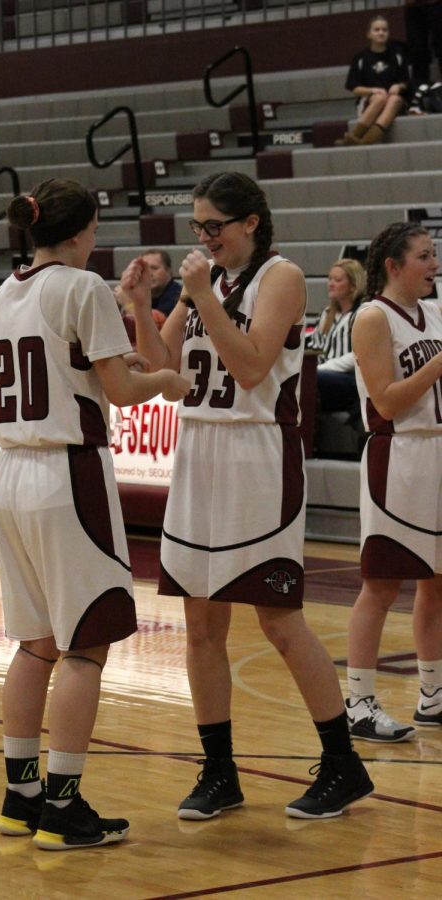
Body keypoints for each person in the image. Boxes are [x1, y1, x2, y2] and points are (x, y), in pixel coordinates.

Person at [120, 171, 373, 820]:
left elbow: (254, 365)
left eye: (215, 226)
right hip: (199, 452)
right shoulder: (209, 281)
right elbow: (158, 368)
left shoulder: (280, 277)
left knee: (278, 620)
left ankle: (342, 761)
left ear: (251, 223)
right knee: (201, 624)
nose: (204, 238)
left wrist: (200, 296)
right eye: (197, 227)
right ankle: (219, 771)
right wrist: (139, 305)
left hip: (259, 454)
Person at [0, 178, 190, 850]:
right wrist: (165, 381)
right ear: (82, 232)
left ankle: (21, 796)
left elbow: (63, 367)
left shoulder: (6, 290)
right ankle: (64, 805)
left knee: (35, 641)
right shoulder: (81, 287)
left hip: (11, 473)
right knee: (85, 643)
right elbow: (126, 392)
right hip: (67, 471)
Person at [346, 221, 442, 742]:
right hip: (398, 455)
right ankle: (359, 702)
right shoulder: (372, 317)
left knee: (438, 582)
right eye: (424, 257)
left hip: (438, 453)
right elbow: (386, 400)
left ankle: (434, 695)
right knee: (381, 586)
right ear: (393, 266)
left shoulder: (435, 311)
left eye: (434, 255)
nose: (434, 265)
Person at [338, 15, 410, 146]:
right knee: (379, 98)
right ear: (368, 34)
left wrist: (399, 86)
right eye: (376, 30)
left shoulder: (398, 55)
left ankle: (365, 142)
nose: (381, 33)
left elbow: (406, 82)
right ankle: (356, 135)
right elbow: (353, 87)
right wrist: (372, 90)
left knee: (394, 99)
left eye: (384, 30)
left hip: (393, 103)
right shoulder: (360, 58)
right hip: (371, 102)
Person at [308, 258, 366, 414]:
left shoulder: (362, 314)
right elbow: (315, 347)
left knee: (312, 380)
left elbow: (357, 356)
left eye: (338, 280)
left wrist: (319, 369)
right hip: (324, 374)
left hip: (350, 378)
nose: (331, 284)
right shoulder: (327, 313)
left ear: (353, 285)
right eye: (330, 279)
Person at [405, 0, 442, 89]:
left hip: (436, 4)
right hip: (413, 7)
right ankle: (420, 88)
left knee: (440, 46)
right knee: (416, 48)